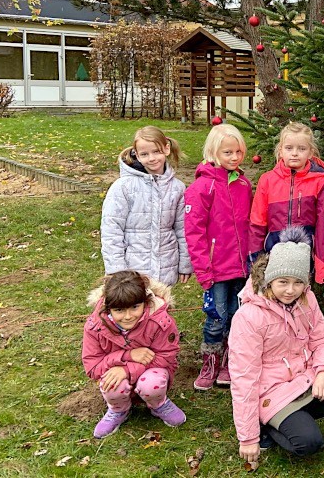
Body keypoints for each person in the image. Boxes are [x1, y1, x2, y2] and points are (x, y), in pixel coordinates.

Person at [229, 226, 324, 463]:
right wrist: (248, 438)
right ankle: (268, 424)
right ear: (269, 279)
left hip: (301, 378)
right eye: (283, 282)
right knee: (309, 443)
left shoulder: (306, 299)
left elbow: (323, 337)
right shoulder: (249, 317)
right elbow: (244, 378)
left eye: (298, 282)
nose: (290, 290)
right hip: (271, 391)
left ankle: (296, 418)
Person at [185, 123, 254, 392]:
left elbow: (250, 224)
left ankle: (229, 359)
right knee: (216, 315)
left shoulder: (244, 184)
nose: (235, 157)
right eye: (228, 152)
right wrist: (203, 269)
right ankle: (210, 359)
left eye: (238, 151)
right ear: (214, 152)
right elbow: (194, 231)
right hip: (215, 268)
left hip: (241, 266)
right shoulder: (202, 187)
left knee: (239, 316)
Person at [82, 271, 186, 439]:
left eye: (135, 307)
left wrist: (128, 370)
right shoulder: (95, 326)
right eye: (119, 310)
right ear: (108, 308)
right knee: (111, 384)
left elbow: (166, 357)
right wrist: (127, 356)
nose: (128, 316)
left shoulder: (160, 321)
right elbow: (92, 366)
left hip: (151, 372)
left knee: (152, 384)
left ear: (145, 303)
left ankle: (158, 404)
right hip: (117, 374)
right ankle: (118, 410)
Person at [100, 125, 191, 286]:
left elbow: (182, 228)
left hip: (165, 267)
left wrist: (185, 263)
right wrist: (116, 270)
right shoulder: (123, 187)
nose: (152, 158)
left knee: (161, 309)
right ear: (137, 155)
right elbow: (111, 228)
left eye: (156, 151)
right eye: (145, 154)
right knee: (135, 310)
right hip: (132, 270)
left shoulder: (177, 188)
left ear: (166, 149)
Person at [250, 122, 324, 284]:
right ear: (280, 150)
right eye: (289, 148)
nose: (295, 153)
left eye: (301, 149)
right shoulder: (267, 180)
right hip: (272, 254)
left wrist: (322, 268)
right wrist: (255, 261)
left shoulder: (321, 181)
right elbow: (257, 223)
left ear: (310, 152)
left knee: (300, 301)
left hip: (304, 257)